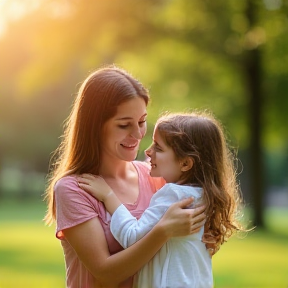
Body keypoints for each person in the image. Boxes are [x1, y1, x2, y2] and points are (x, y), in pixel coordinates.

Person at [44, 66, 207, 288]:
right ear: (94, 127)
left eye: (141, 121)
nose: (138, 134)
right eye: (124, 125)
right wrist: (163, 231)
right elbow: (105, 273)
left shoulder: (157, 178)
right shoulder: (74, 189)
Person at [77, 111, 247, 288]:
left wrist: (108, 195)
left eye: (158, 147)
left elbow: (131, 237)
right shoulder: (205, 196)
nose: (148, 151)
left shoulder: (173, 195)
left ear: (185, 164)